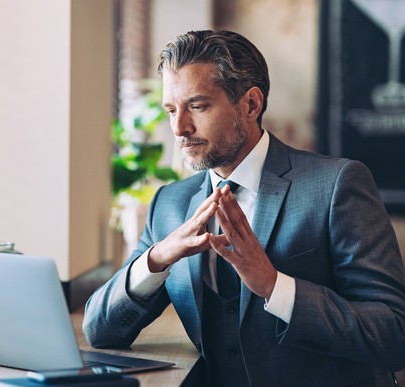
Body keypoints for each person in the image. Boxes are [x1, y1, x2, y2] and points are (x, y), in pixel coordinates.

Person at [82, 30, 405, 386]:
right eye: (171, 110)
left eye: (198, 106)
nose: (179, 128)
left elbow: (392, 335)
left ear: (250, 104)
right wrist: (157, 258)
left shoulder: (337, 185)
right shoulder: (169, 205)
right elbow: (99, 330)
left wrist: (273, 286)